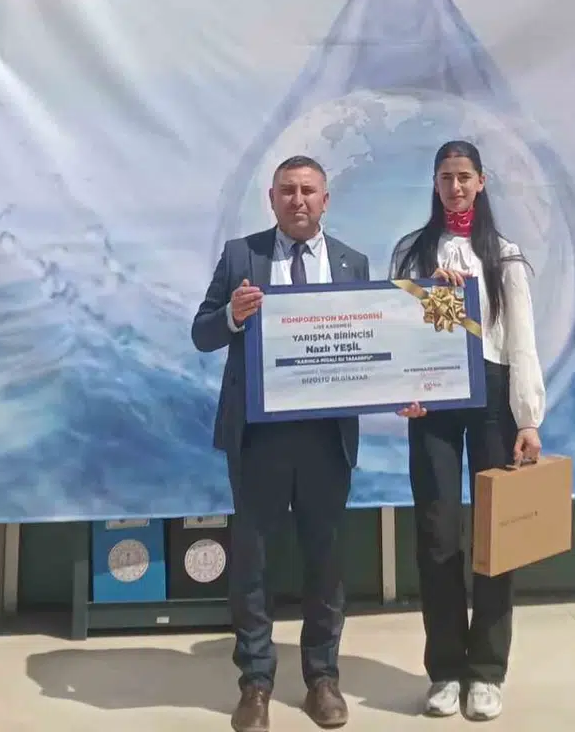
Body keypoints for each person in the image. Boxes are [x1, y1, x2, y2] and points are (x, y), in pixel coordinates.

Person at [192, 155, 370, 732]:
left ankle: (322, 678)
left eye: (308, 190)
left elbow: (371, 347)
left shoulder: (353, 262)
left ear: (325, 199)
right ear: (271, 199)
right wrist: (232, 315)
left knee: (326, 560)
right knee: (253, 562)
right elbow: (201, 333)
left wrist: (405, 388)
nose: (298, 200)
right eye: (287, 190)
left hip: (326, 438)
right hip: (259, 437)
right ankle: (256, 684)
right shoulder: (240, 256)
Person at [391, 141, 547, 723]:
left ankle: (486, 671)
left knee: (494, 536)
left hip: (492, 395)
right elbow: (399, 333)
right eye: (445, 177)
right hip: (433, 399)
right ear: (434, 184)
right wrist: (433, 303)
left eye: (464, 177)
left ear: (481, 182)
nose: (455, 187)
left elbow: (522, 339)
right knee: (437, 534)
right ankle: (445, 671)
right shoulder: (412, 252)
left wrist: (527, 418)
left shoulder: (503, 255)